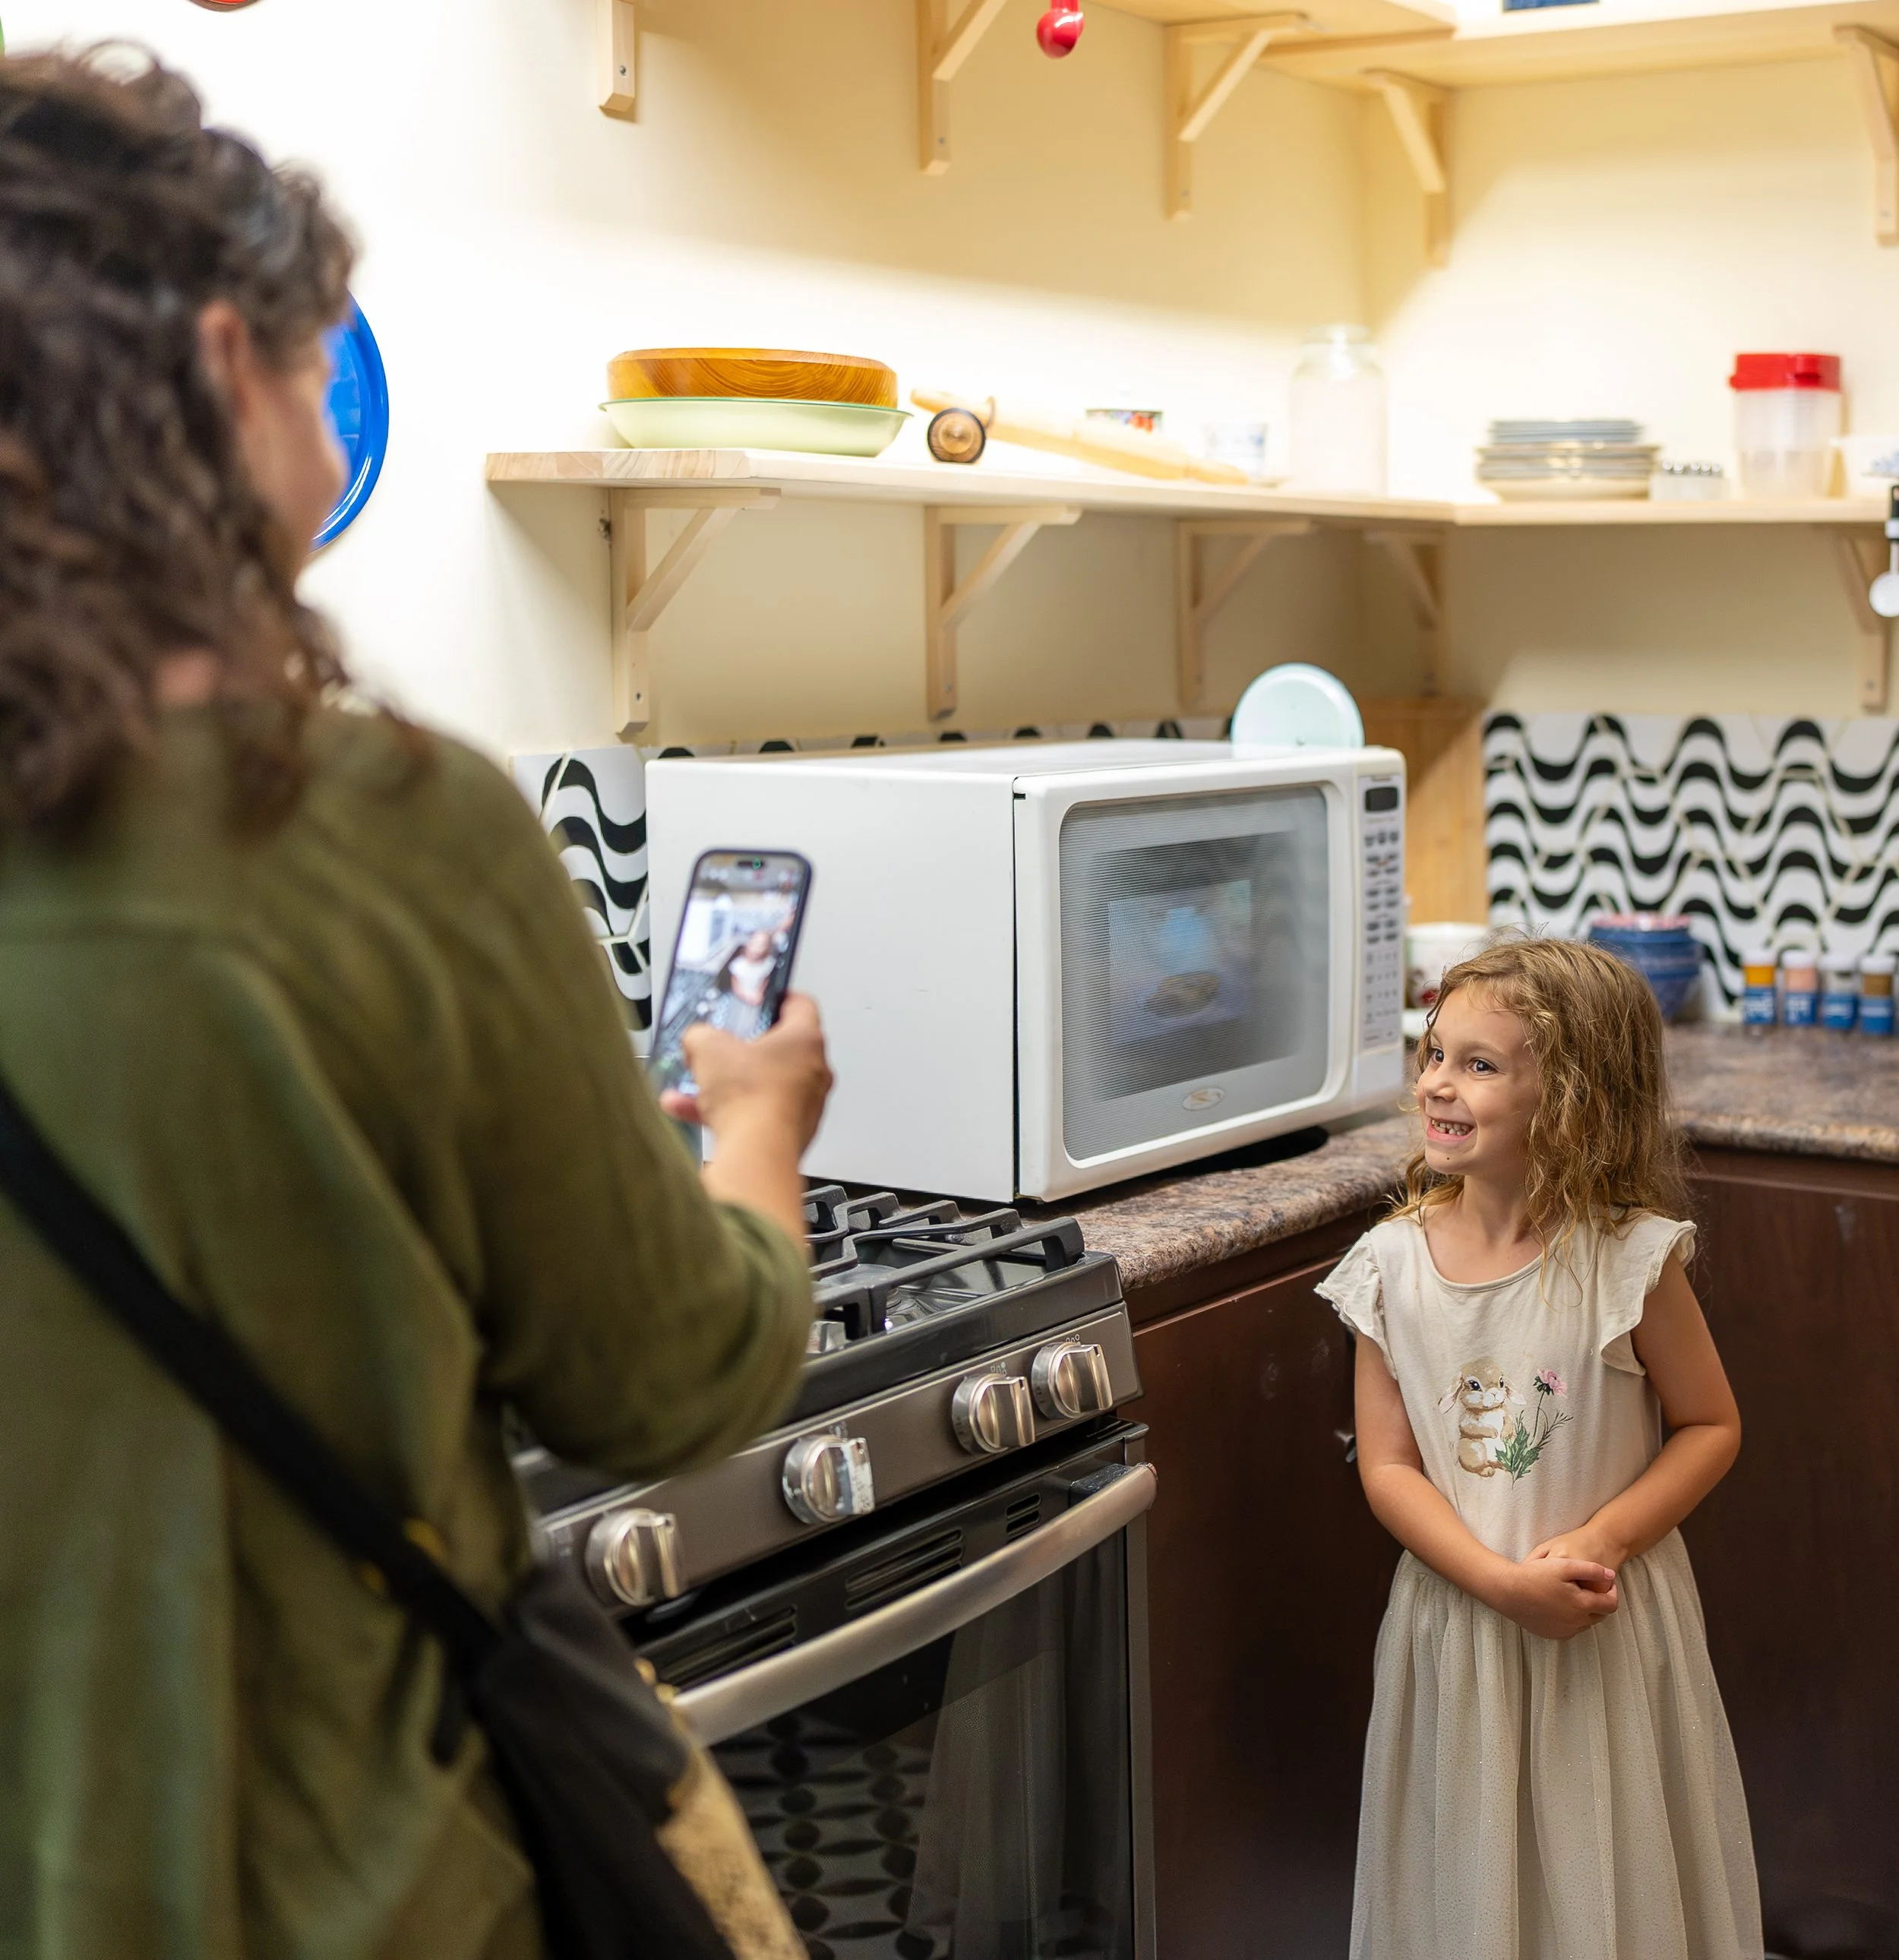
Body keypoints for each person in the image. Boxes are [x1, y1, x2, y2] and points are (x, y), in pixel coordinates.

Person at [0, 49, 831, 1960]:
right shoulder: (393, 830)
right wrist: (763, 1133)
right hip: (356, 1893)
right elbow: (670, 1376)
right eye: (318, 373)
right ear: (224, 369)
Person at [1316, 937, 1761, 1960]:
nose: (1438, 1082)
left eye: (1479, 1064)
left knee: (1614, 1870)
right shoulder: (1386, 1267)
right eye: (1435, 1052)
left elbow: (1712, 1425)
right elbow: (1387, 1467)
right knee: (1470, 1881)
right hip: (1460, 1627)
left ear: (1574, 1097)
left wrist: (1600, 1539)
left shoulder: (1629, 1261)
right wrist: (1494, 1582)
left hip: (1601, 1624)